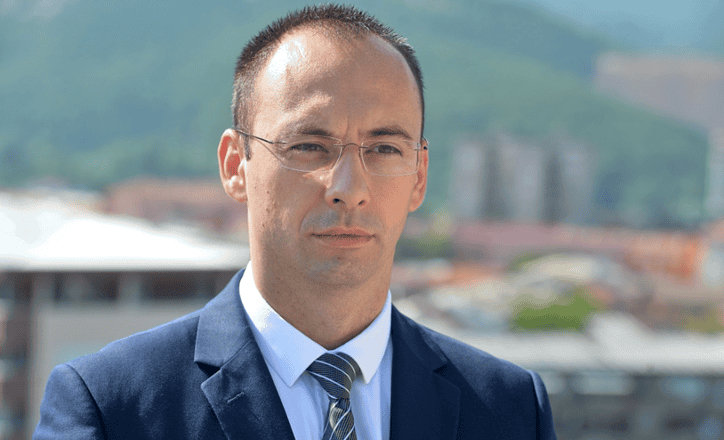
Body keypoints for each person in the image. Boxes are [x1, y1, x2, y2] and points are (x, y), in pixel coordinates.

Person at [34, 4, 556, 439]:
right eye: (309, 146)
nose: (349, 187)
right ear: (235, 165)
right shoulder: (112, 408)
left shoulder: (510, 410)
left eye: (384, 148)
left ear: (419, 177)